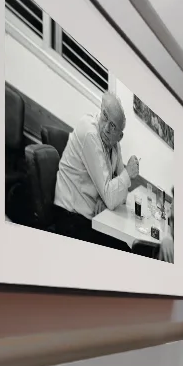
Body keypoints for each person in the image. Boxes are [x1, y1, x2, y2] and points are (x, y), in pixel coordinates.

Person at [51, 93, 140, 250]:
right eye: (105, 116)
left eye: (113, 126)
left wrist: (104, 196)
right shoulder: (90, 133)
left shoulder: (115, 145)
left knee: (126, 247)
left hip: (90, 218)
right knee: (123, 249)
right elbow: (113, 195)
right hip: (70, 217)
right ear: (101, 110)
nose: (106, 128)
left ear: (120, 136)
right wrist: (126, 174)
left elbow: (121, 196)